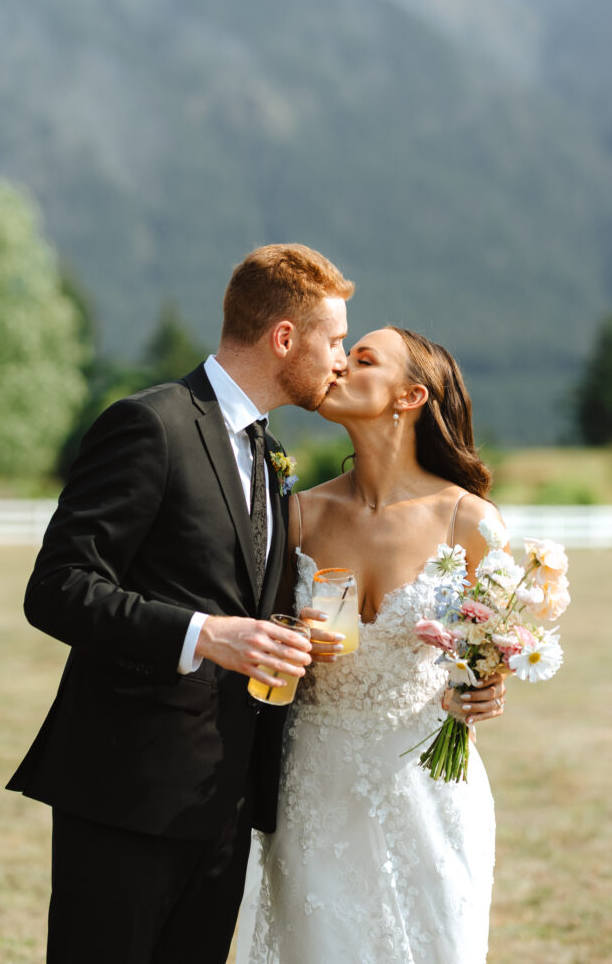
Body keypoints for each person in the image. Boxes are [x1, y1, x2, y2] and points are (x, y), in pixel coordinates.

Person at [6, 243, 355, 964]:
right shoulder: (151, 425)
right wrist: (204, 634)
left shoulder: (266, 453)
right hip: (126, 788)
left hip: (222, 799)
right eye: (336, 339)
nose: (342, 360)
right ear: (283, 337)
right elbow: (59, 588)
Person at [241, 326, 506, 964]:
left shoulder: (466, 520)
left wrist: (489, 686)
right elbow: (260, 634)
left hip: (431, 790)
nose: (337, 365)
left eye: (363, 359)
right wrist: (293, 638)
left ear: (409, 396)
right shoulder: (296, 513)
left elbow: (494, 645)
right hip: (313, 788)